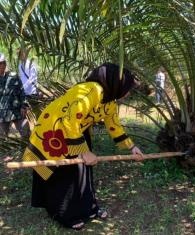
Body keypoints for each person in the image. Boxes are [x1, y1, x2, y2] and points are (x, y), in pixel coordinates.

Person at [22, 62, 144, 230]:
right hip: (55, 130)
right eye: (127, 88)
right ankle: (64, 214)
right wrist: (84, 152)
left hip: (75, 131)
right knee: (64, 175)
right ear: (117, 83)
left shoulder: (109, 100)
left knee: (82, 172)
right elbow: (69, 119)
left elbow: (114, 125)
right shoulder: (92, 90)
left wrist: (132, 147)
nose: (128, 93)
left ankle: (89, 208)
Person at [0, 53, 30, 138]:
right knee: (2, 139)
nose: (1, 65)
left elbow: (21, 91)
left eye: (3, 63)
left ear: (5, 64)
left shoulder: (14, 76)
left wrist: (24, 106)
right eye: (0, 64)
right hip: (2, 114)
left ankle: (27, 150)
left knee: (26, 132)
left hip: (17, 111)